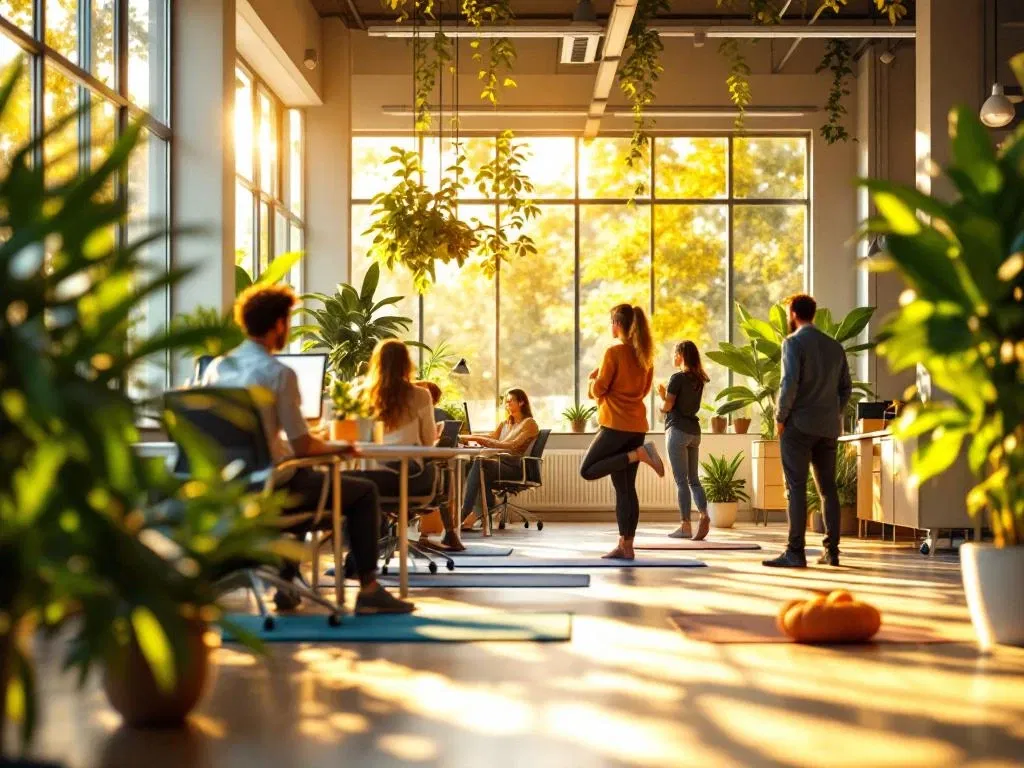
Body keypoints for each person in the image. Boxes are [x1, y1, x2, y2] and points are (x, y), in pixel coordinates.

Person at [202, 284, 414, 615]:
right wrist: (341, 446)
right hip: (270, 489)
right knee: (362, 491)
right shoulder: (278, 373)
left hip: (226, 489)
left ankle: (287, 585)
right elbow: (303, 443)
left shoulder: (216, 369)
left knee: (304, 477)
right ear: (278, 324)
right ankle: (369, 590)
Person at [763, 293, 852, 569]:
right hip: (828, 428)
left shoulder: (793, 343)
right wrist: (831, 412)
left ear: (792, 314)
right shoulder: (835, 347)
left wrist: (780, 417)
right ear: (813, 314)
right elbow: (845, 388)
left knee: (796, 488)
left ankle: (795, 552)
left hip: (798, 426)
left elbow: (789, 384)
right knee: (828, 490)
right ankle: (832, 552)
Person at [579, 304, 665, 560]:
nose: (610, 327)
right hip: (636, 427)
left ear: (618, 323)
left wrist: (592, 380)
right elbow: (643, 391)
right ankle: (626, 546)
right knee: (625, 489)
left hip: (615, 426)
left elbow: (599, 390)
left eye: (611, 322)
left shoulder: (613, 352)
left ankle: (637, 455)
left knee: (588, 469)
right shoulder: (645, 356)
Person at [459, 389, 540, 531]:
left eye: (510, 401)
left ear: (521, 402)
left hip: (515, 467)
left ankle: (464, 512)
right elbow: (491, 438)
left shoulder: (529, 423)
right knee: (470, 463)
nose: (507, 404)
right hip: (499, 464)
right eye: (506, 402)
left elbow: (511, 446)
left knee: (480, 463)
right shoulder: (505, 424)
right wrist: (463, 438)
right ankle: (485, 506)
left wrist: (477, 439)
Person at [657, 341, 711, 541]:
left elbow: (668, 407)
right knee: (693, 480)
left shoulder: (677, 378)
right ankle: (704, 514)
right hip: (694, 433)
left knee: (681, 481)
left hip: (677, 430)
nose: (673, 357)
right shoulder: (699, 379)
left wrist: (661, 398)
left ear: (681, 355)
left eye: (674, 353)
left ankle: (685, 525)